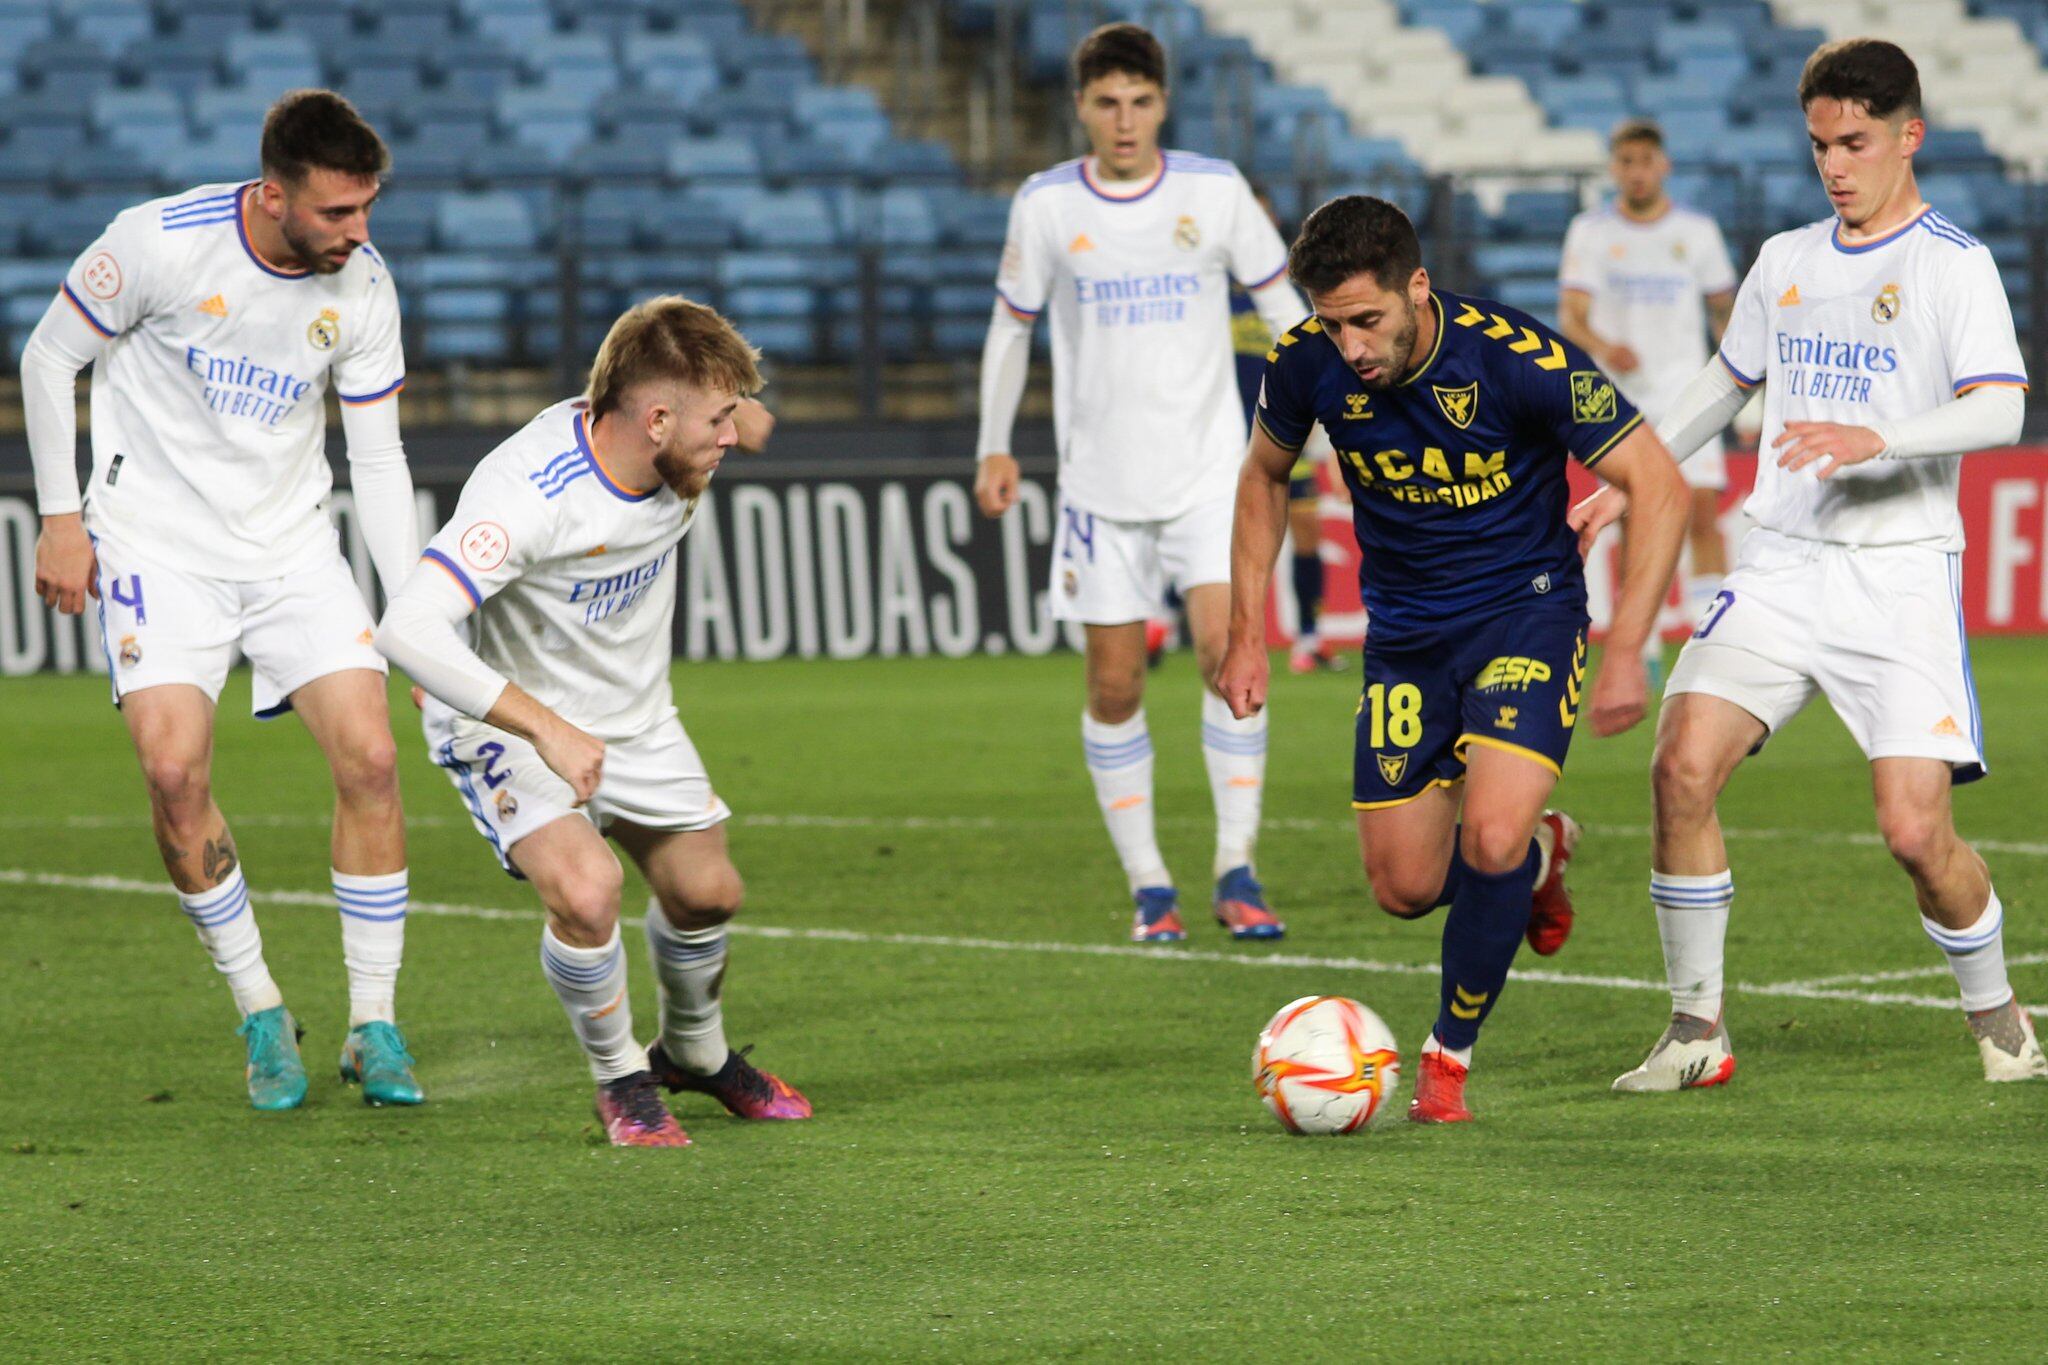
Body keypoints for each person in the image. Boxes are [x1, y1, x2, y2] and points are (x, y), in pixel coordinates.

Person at [1578, 40, 2044, 1091]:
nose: (1834, 165)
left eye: (1854, 143)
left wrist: (1878, 440)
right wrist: (1627, 478)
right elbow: (1721, 383)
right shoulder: (1784, 259)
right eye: (1818, 146)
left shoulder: (1950, 262)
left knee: (1914, 834)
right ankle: (1695, 1031)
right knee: (1679, 765)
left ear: (1904, 138)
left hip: (1897, 574)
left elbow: (1999, 404)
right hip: (1780, 563)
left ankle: (1999, 1016)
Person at [1217, 195, 1688, 1122]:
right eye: (1332, 322)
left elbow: (1659, 485)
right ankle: (1544, 851)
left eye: (1368, 320)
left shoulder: (1519, 358)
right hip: (1404, 639)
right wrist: (1246, 632)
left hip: (1528, 614)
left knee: (1491, 838)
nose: (1351, 346)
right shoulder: (1304, 363)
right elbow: (1263, 477)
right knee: (1405, 888)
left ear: (1417, 288)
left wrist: (1628, 647)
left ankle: (1446, 1057)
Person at [25, 91, 424, 1110]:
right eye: (337, 213)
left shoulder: (365, 287)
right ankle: (259, 1011)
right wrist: (60, 517)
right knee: (171, 771)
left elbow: (376, 461)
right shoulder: (157, 244)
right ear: (273, 193)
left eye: (366, 208)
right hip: (157, 549)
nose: (358, 232)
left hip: (292, 551)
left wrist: (421, 616)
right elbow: (47, 356)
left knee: (373, 759)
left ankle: (373, 1025)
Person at [374, 297, 810, 1148]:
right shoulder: (530, 495)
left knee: (707, 893)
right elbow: (405, 628)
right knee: (588, 889)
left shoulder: (674, 443)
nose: (732, 434)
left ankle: (693, 1052)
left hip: (634, 717)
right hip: (510, 719)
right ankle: (622, 1080)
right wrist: (546, 728)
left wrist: (738, 408)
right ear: (653, 419)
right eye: (718, 419)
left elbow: (690, 368)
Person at [973, 22, 1310, 943]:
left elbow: (1284, 308)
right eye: (1107, 103)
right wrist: (993, 446)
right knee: (1115, 686)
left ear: (1163, 104)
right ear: (1081, 106)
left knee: (1229, 663)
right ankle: (1150, 885)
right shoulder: (1045, 206)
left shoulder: (1214, 191)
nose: (1125, 121)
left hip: (1211, 476)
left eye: (1141, 102)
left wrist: (1333, 410)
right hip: (1098, 491)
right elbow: (1012, 328)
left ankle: (1237, 867)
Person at [1559, 119, 1738, 678]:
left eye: (1646, 160)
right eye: (1626, 162)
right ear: (1615, 169)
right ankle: (1645, 645)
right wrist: (1607, 347)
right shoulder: (1589, 233)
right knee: (1633, 519)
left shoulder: (1697, 231)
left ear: (1664, 165)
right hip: (1621, 401)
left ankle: (1713, 642)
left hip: (1690, 390)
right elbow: (1572, 316)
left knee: (1702, 513)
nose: (1636, 171)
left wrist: (1744, 381)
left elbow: (1723, 309)